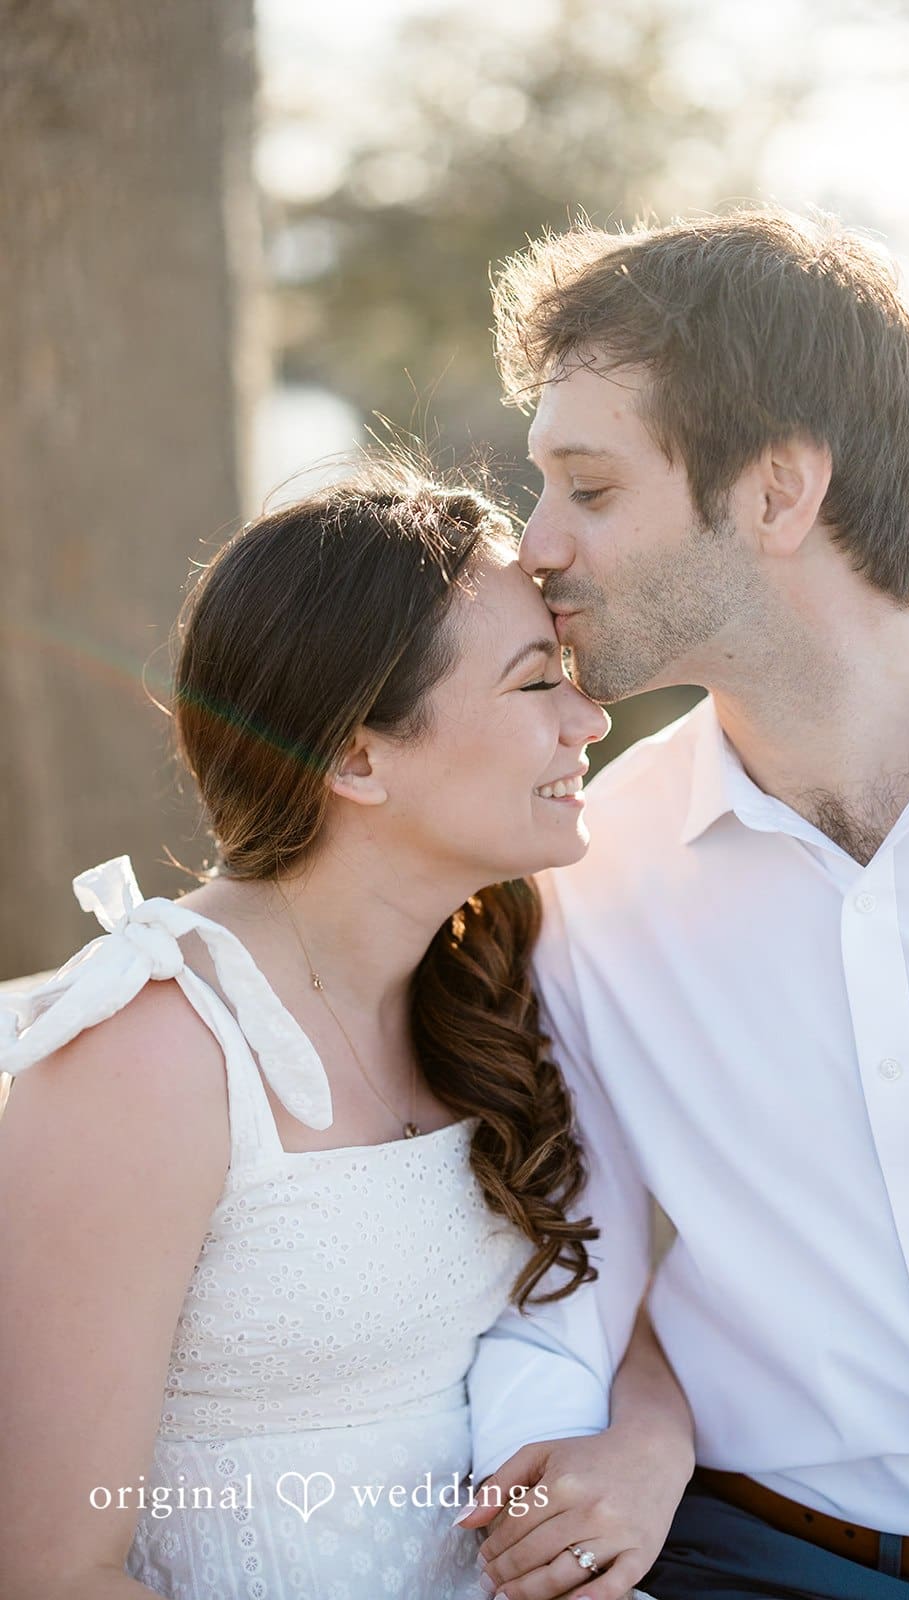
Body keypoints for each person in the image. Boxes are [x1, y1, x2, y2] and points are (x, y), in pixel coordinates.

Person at [464, 208, 909, 1600]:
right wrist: (649, 1422)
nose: (534, 548)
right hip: (772, 1563)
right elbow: (584, 1255)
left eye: (591, 491)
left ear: (780, 492)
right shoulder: (579, 879)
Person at [0, 473, 690, 1600]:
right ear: (356, 757)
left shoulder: (498, 977)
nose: (590, 718)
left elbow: (664, 1275)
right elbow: (43, 1568)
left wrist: (647, 1449)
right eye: (536, 683)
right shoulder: (148, 1052)